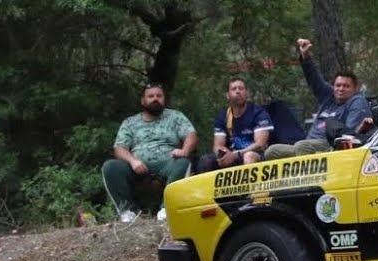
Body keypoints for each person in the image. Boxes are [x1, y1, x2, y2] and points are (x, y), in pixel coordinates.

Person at [102, 83, 198, 223]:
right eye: (151, 96)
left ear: (164, 99)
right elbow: (119, 148)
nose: (155, 99)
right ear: (143, 100)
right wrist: (133, 161)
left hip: (168, 162)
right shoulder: (130, 122)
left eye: (159, 96)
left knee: (183, 163)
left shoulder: (175, 117)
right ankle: (128, 212)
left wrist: (184, 150)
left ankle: (166, 208)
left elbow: (191, 135)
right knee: (110, 167)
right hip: (138, 165)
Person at [264, 39, 371, 160]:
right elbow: (314, 78)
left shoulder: (356, 101)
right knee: (272, 151)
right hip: (308, 145)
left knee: (302, 146)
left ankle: (304, 179)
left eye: (346, 86)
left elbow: (350, 134)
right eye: (338, 85)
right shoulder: (328, 96)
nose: (341, 89)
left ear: (355, 88)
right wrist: (306, 56)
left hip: (329, 145)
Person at [196, 78, 273, 173]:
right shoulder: (223, 116)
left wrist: (236, 154)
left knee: (248, 156)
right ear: (228, 95)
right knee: (206, 160)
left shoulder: (258, 113)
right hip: (232, 156)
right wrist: (222, 154)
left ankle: (249, 187)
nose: (238, 91)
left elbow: (260, 145)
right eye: (234, 89)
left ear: (247, 93)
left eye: (241, 88)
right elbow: (217, 146)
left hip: (256, 155)